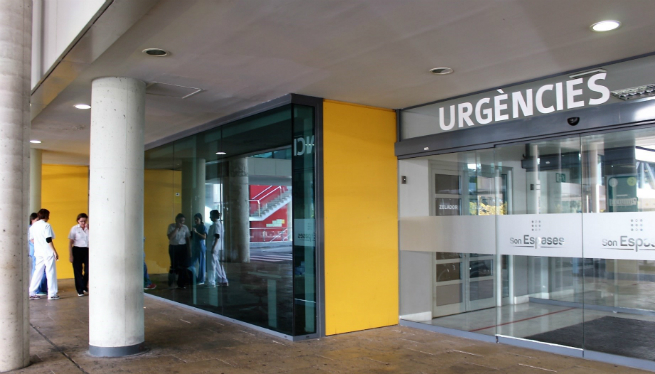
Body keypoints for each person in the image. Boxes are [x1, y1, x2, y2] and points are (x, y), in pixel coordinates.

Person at [28, 209, 59, 300]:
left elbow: (32, 239)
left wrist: (38, 245)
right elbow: (48, 239)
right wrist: (54, 251)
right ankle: (52, 293)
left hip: (38, 252)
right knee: (51, 272)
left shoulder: (33, 226)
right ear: (46, 216)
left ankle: (32, 291)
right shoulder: (46, 225)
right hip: (47, 251)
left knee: (38, 271)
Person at [167, 213, 191, 288]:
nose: (182, 222)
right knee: (174, 266)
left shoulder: (185, 227)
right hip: (173, 247)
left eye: (183, 221)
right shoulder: (171, 226)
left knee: (183, 266)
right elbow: (170, 237)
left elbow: (188, 239)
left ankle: (181, 283)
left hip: (182, 247)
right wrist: (177, 228)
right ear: (176, 220)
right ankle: (172, 283)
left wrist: (189, 250)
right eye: (180, 220)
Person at [68, 213, 89, 297]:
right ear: (78, 221)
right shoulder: (74, 228)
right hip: (77, 249)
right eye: (81, 221)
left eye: (84, 221)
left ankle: (84, 285)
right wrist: (70, 255)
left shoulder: (89, 228)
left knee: (88, 270)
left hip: (87, 250)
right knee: (78, 271)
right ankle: (80, 290)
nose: (83, 223)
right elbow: (70, 242)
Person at [28, 212, 48, 296]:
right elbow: (32, 240)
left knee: (42, 270)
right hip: (36, 252)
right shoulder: (31, 228)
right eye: (36, 220)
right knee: (37, 270)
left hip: (39, 251)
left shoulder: (35, 227)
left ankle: (42, 288)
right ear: (32, 220)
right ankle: (37, 289)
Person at [207, 210, 228, 287]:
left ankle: (212, 282)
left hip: (213, 247)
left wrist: (213, 247)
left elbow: (217, 237)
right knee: (216, 263)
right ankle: (222, 279)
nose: (210, 217)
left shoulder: (216, 225)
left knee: (212, 265)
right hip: (215, 247)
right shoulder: (218, 224)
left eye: (211, 215)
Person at [191, 213, 207, 285]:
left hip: (200, 247)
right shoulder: (194, 227)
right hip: (194, 247)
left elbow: (204, 237)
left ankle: (201, 280)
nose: (195, 220)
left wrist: (196, 232)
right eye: (195, 219)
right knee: (191, 264)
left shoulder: (203, 227)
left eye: (197, 219)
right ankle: (195, 278)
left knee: (201, 264)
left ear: (200, 219)